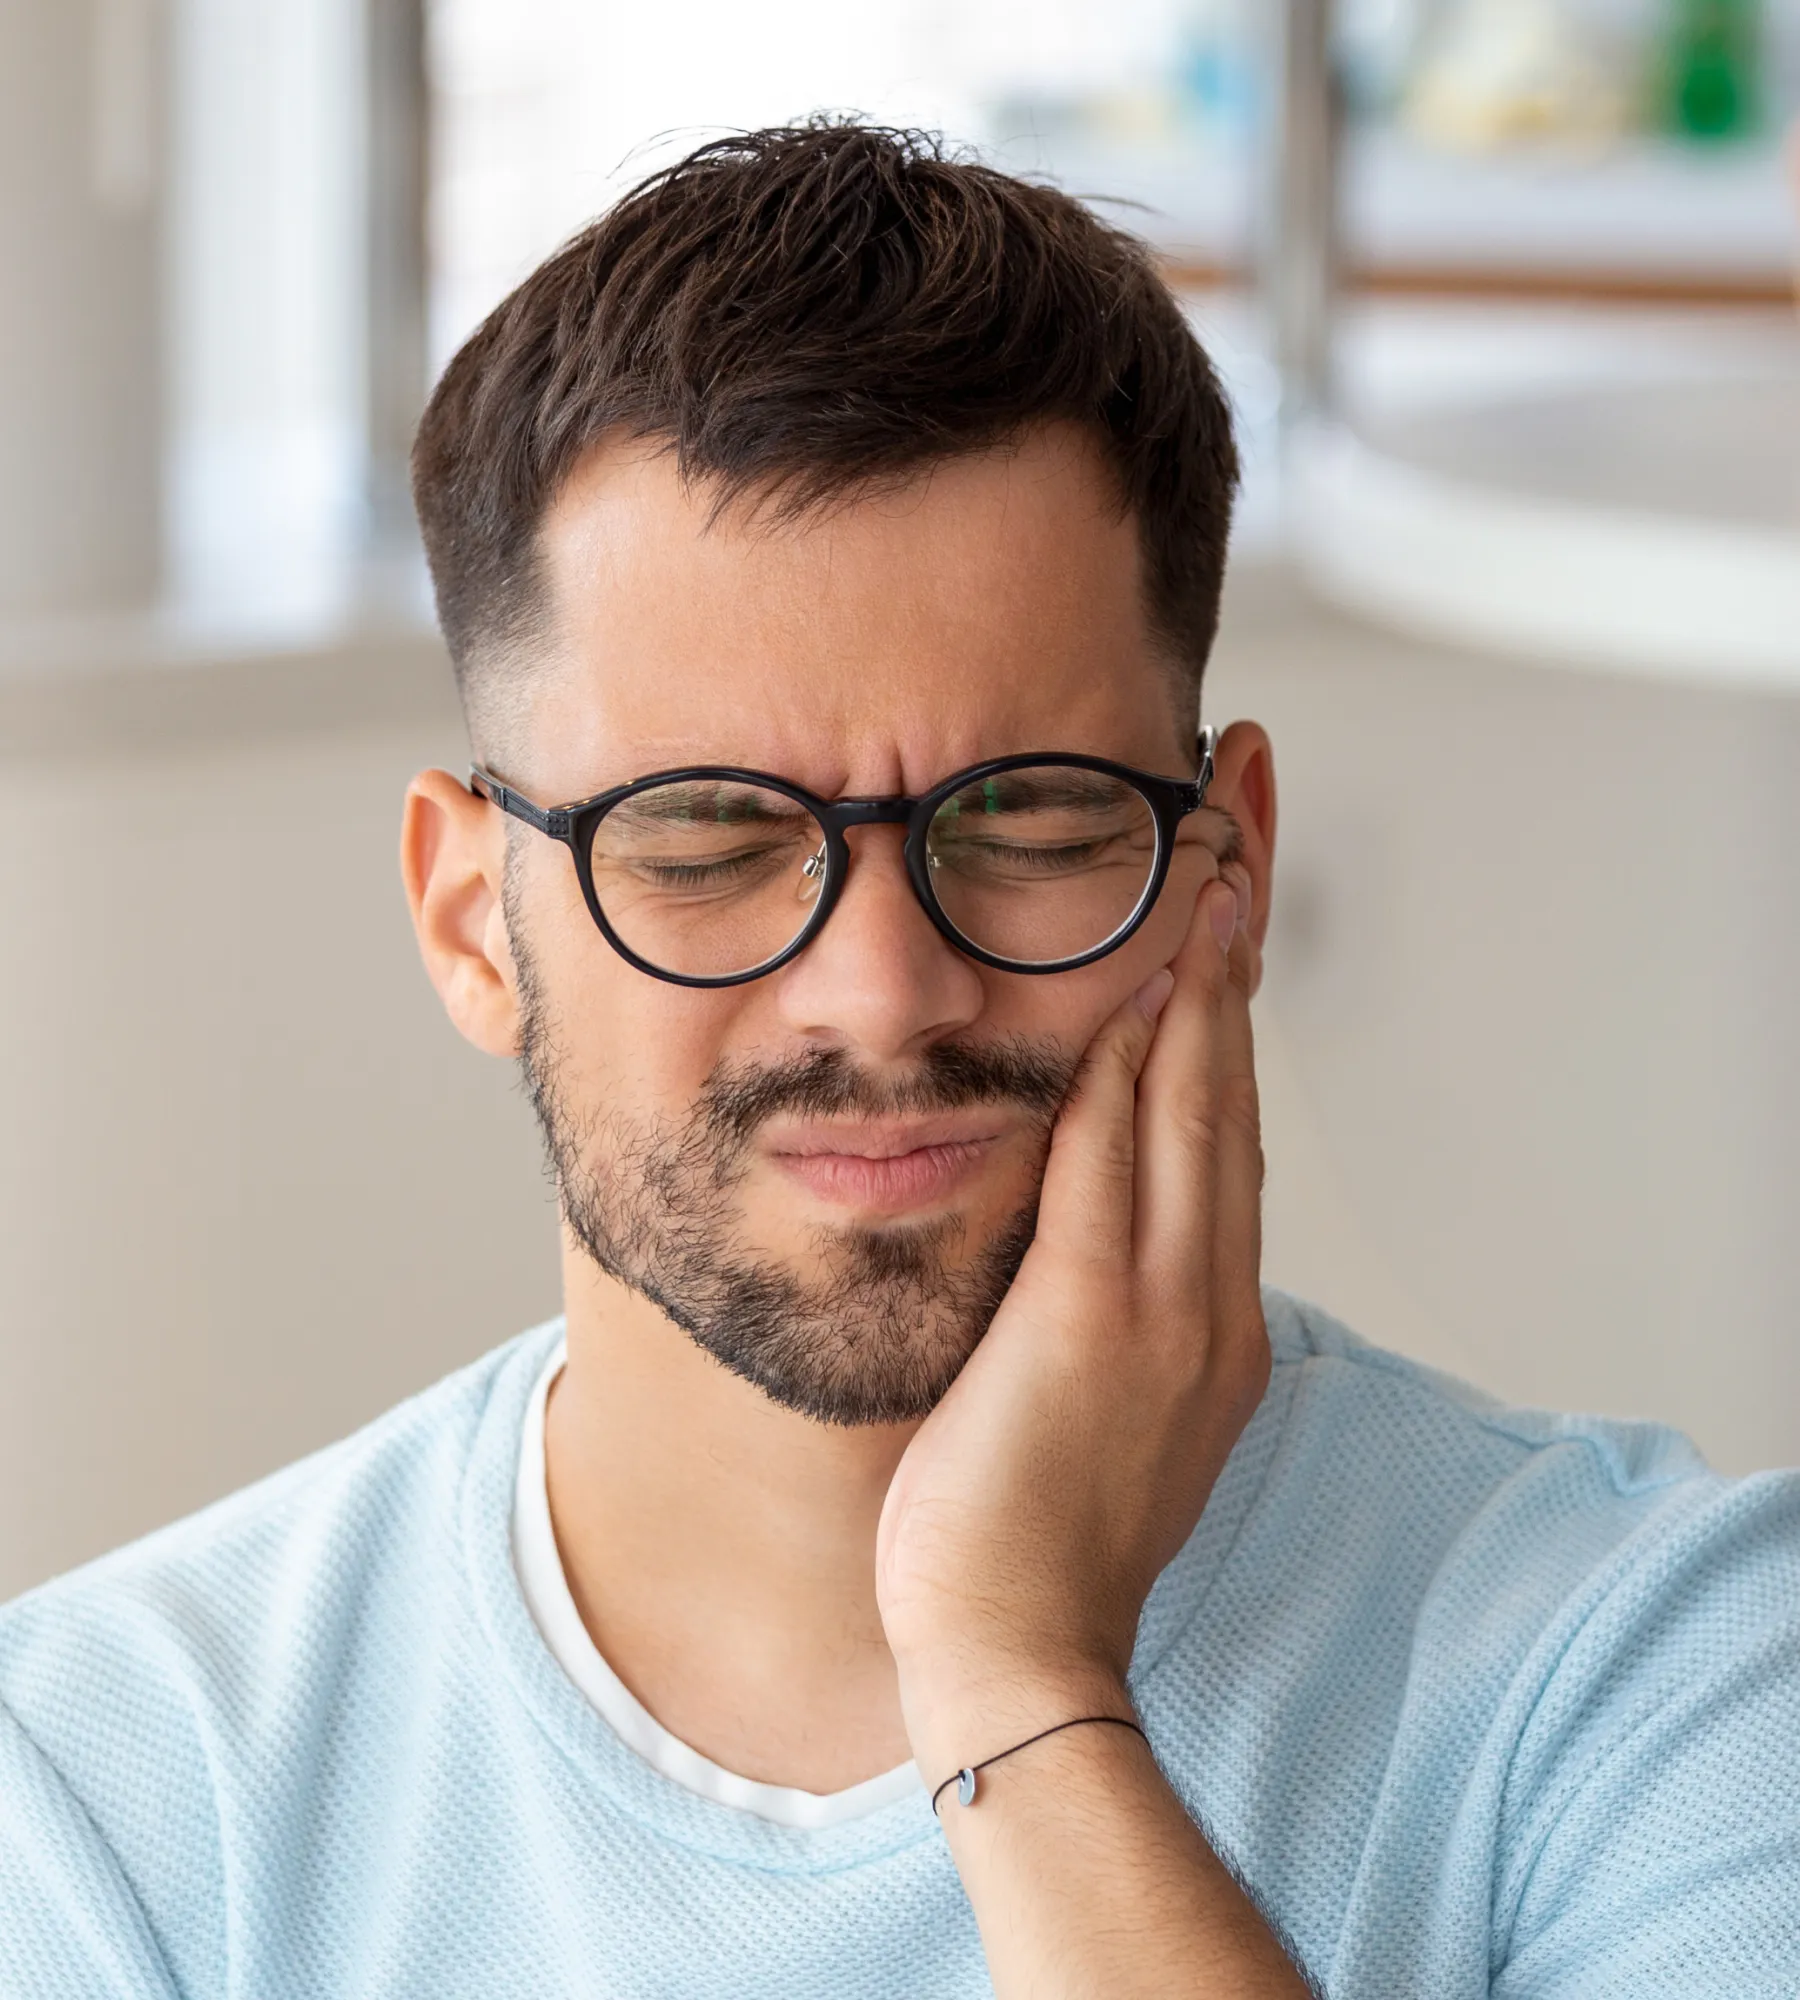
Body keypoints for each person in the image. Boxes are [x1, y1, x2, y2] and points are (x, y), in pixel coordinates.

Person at [2, 122, 1796, 2000]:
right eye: (706, 837)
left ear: (1233, 869)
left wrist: (1014, 1674)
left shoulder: (1662, 1674)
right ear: (471, 924)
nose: (879, 994)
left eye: (1028, 820)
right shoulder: (107, 1801)